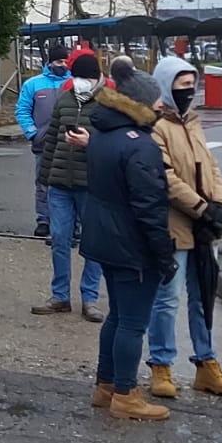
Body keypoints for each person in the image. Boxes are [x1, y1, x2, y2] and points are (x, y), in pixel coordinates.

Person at [77, 72, 174, 422]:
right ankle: (125, 393)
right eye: (156, 100)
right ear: (140, 105)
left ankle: (106, 385)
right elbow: (149, 206)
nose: (162, 104)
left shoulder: (103, 135)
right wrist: (164, 254)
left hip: (105, 237)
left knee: (117, 316)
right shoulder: (141, 145)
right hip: (131, 243)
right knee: (133, 322)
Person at [144, 57, 222, 399]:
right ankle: (161, 364)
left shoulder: (193, 123)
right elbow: (165, 177)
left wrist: (219, 204)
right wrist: (201, 209)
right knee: (167, 298)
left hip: (203, 227)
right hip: (175, 225)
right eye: (181, 85)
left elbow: (212, 167)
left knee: (203, 296)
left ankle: (206, 362)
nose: (188, 91)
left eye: (191, 85)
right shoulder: (156, 127)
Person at [35, 50, 108, 321]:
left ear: (97, 78)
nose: (80, 81)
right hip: (60, 183)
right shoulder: (65, 100)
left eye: (85, 77)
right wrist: (45, 177)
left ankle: (90, 298)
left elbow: (116, 144)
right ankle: (60, 295)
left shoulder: (107, 103)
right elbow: (52, 139)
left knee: (93, 243)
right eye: (76, 76)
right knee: (60, 239)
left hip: (92, 184)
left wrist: (92, 143)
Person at [16, 44, 72, 238]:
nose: (63, 65)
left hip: (70, 143)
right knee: (43, 183)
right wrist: (33, 134)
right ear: (50, 62)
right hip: (43, 144)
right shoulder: (33, 84)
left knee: (70, 183)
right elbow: (22, 111)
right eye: (59, 61)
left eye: (66, 61)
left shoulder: (74, 82)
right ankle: (43, 220)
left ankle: (72, 224)